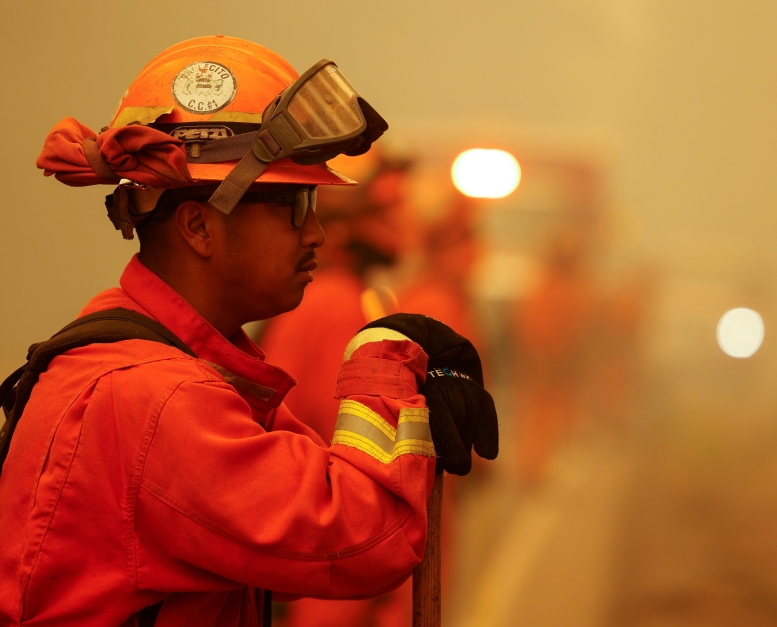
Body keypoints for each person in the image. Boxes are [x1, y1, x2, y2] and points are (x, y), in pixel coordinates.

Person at [0, 36, 497, 627]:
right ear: (199, 226)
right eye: (293, 206)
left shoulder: (167, 362)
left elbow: (305, 490)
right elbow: (362, 538)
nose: (314, 234)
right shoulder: (157, 400)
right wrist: (385, 365)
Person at [260, 147, 417, 627]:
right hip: (330, 529)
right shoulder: (336, 304)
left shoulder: (332, 297)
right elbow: (342, 436)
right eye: (385, 212)